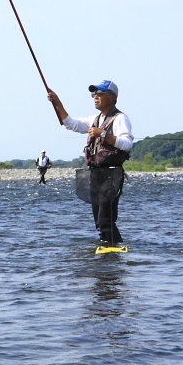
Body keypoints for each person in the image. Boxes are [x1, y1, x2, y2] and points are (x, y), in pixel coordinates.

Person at [47, 80, 134, 245]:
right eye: (94, 94)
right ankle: (107, 245)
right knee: (99, 220)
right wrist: (57, 102)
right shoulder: (95, 119)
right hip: (95, 173)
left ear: (112, 97)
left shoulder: (120, 118)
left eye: (100, 94)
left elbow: (127, 144)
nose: (95, 97)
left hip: (111, 175)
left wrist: (103, 134)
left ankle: (113, 248)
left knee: (106, 218)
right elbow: (70, 124)